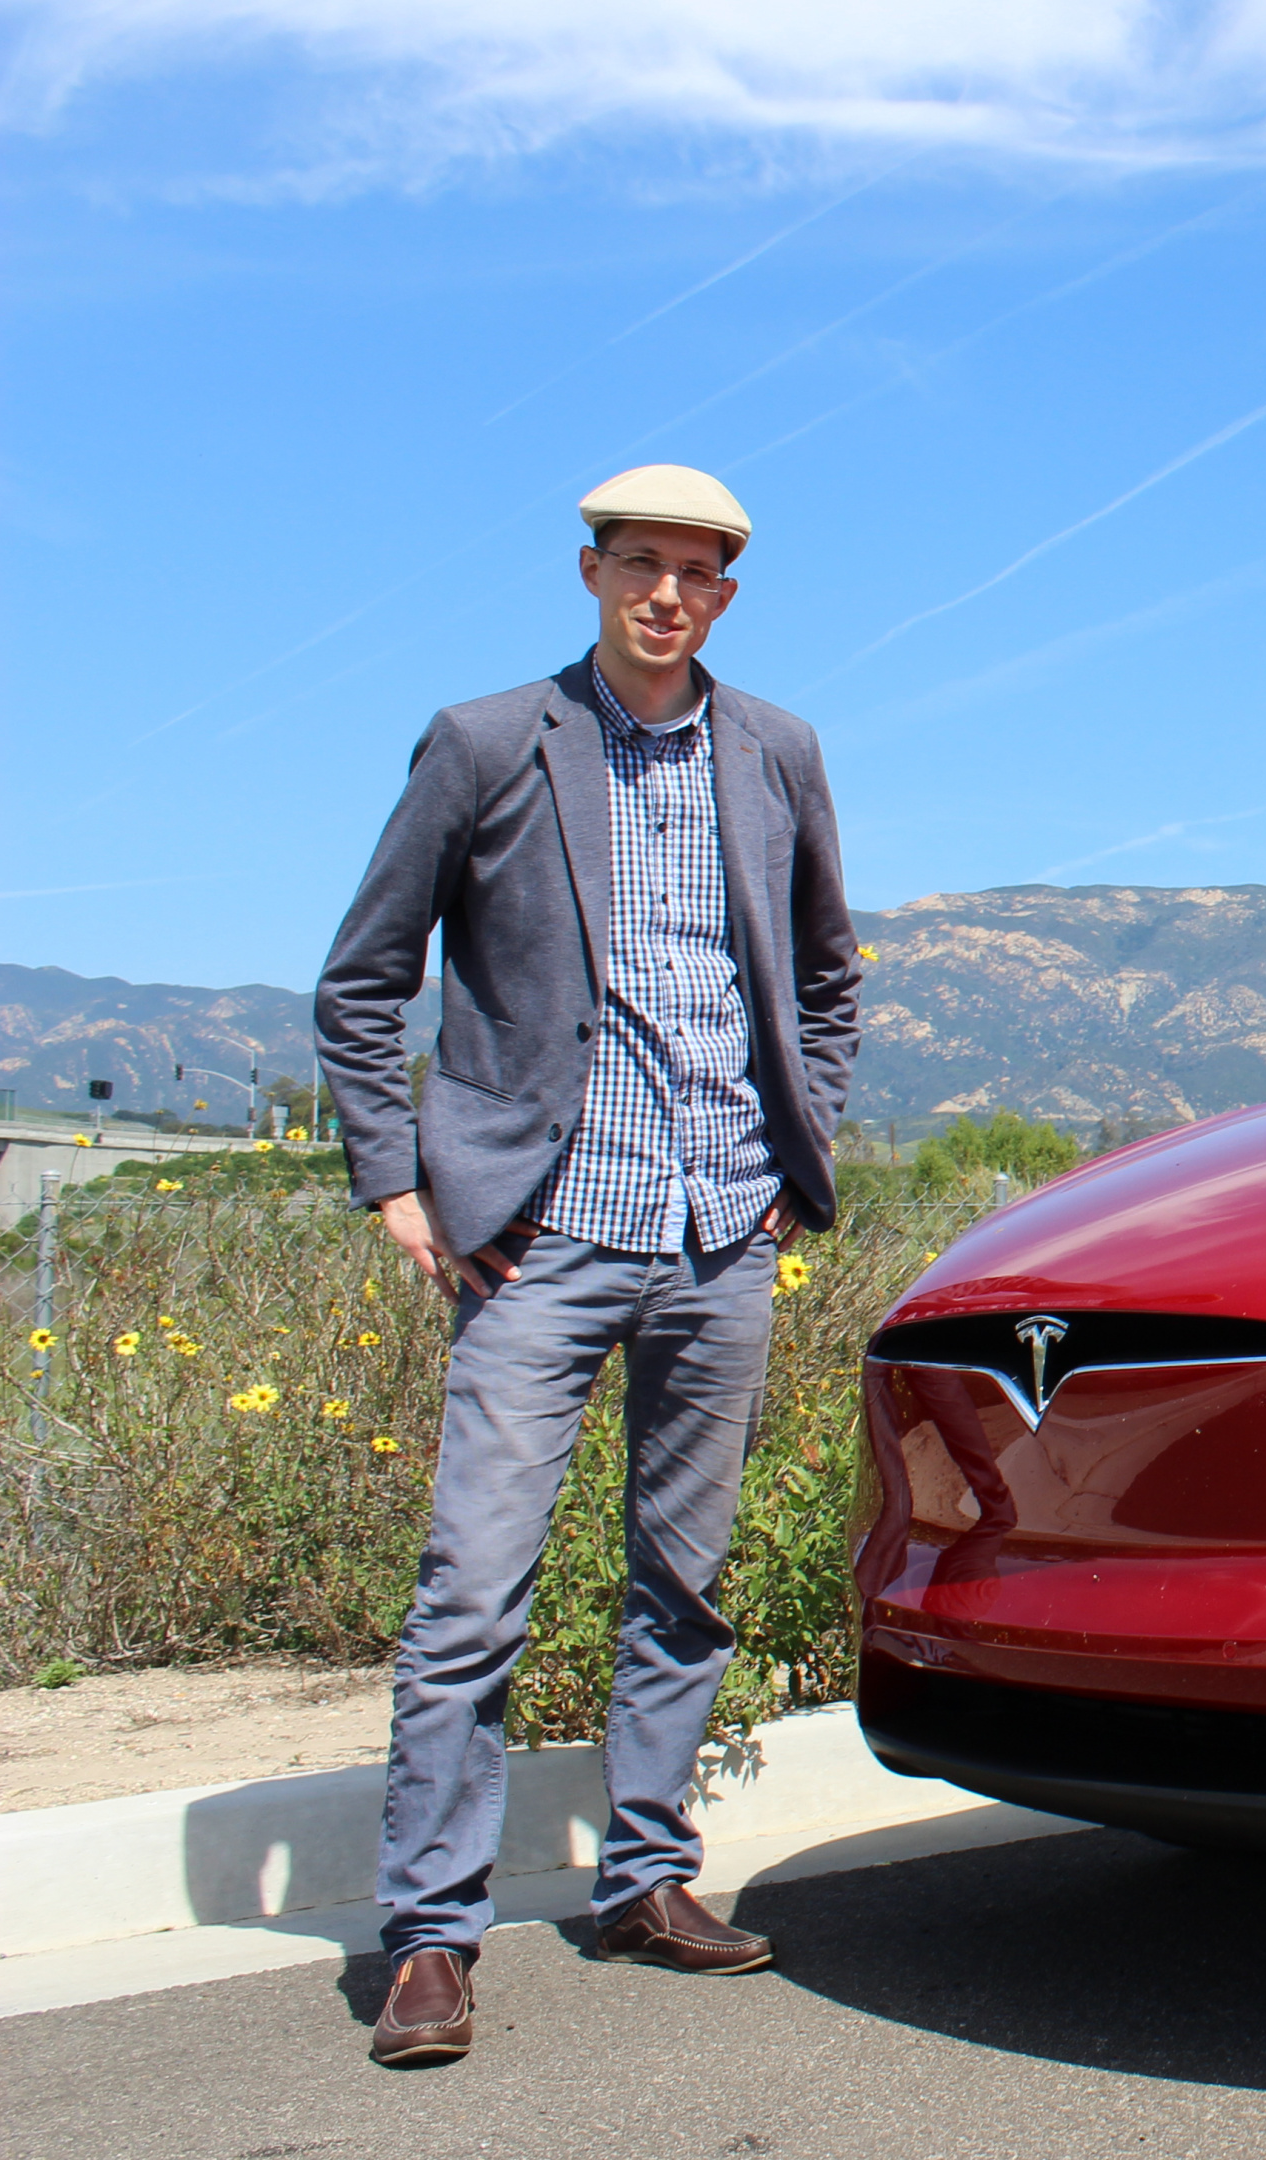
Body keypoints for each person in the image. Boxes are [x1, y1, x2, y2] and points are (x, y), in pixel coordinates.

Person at [315, 464, 861, 2067]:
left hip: (721, 1235)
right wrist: (395, 1180)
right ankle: (431, 1936)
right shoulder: (489, 741)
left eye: (696, 572)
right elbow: (363, 978)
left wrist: (796, 1162)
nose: (666, 594)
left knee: (684, 1584)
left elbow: (826, 975)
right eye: (640, 564)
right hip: (537, 1238)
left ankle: (645, 1881)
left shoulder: (777, 750)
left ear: (728, 593)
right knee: (472, 1593)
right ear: (591, 571)